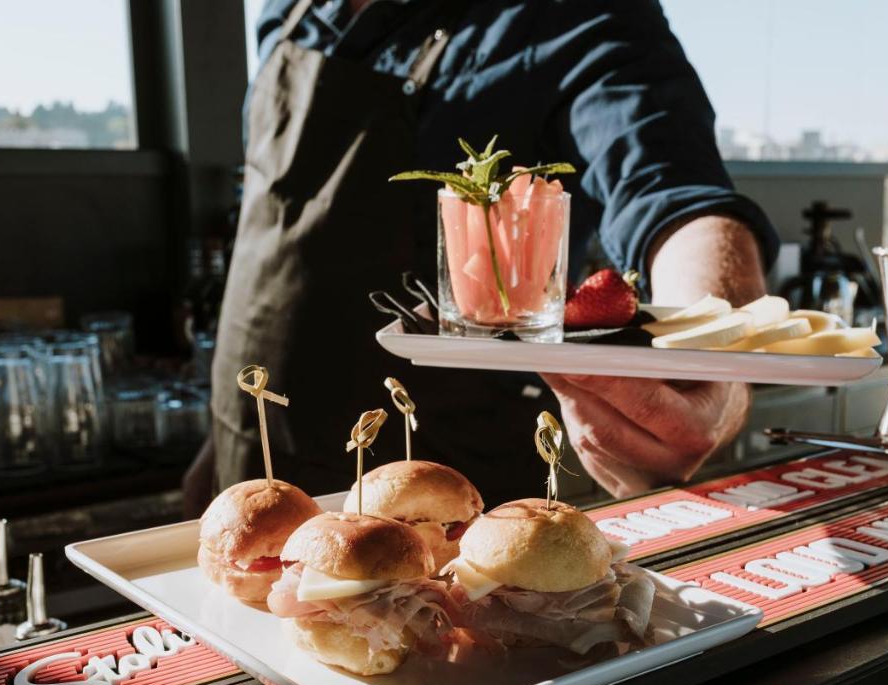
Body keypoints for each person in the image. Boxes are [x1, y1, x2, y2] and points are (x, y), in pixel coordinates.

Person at [185, 0, 778, 514]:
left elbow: (673, 194)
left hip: (439, 473)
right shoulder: (288, 12)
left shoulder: (579, 15)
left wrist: (714, 362)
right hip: (253, 440)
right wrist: (220, 439)